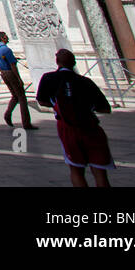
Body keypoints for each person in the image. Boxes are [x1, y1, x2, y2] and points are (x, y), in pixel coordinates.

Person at [36, 49, 113, 187]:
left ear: (57, 62)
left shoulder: (48, 78)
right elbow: (105, 108)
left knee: (76, 170)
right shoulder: (85, 81)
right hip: (91, 127)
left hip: (68, 129)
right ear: (74, 63)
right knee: (100, 172)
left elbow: (42, 101)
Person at [0, 32, 35, 130]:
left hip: (3, 73)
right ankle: (26, 123)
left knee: (15, 96)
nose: (8, 37)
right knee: (22, 97)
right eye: (6, 36)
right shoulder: (7, 50)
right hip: (10, 73)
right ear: (3, 38)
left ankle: (7, 114)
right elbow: (13, 65)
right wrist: (19, 79)